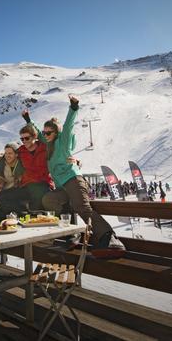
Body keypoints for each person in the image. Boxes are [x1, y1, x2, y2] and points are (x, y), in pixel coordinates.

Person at [23, 95, 125, 255]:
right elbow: (38, 133)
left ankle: (110, 237)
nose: (46, 134)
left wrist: (74, 106)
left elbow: (68, 125)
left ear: (56, 132)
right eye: (45, 132)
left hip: (73, 180)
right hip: (62, 187)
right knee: (49, 199)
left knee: (82, 208)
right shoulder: (48, 144)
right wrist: (28, 119)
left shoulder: (61, 142)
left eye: (49, 132)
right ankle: (73, 232)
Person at [17, 123, 54, 210]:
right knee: (6, 196)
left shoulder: (45, 149)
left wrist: (75, 161)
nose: (24, 141)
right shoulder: (20, 151)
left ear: (34, 137)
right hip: (27, 184)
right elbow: (8, 157)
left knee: (39, 196)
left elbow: (58, 156)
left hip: (44, 183)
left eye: (27, 138)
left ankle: (37, 219)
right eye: (22, 139)